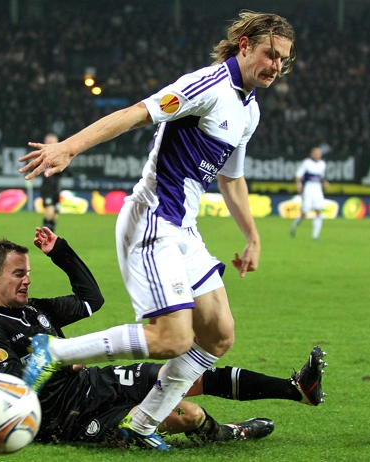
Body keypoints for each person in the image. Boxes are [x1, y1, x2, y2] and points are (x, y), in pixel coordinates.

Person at [18, 11, 297, 450]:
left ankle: (142, 423)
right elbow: (136, 113)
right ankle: (51, 353)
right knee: (172, 339)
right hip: (152, 219)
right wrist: (68, 147)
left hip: (184, 230)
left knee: (219, 334)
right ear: (245, 45)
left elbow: (231, 178)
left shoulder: (249, 110)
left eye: (283, 60)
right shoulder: (205, 86)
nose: (276, 66)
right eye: (270, 54)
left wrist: (253, 236)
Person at [0, 228, 327, 446]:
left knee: (185, 374)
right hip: (66, 417)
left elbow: (90, 300)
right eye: (18, 274)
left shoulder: (35, 309)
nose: (27, 281)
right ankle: (231, 433)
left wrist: (62, 253)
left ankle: (295, 389)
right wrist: (61, 361)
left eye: (28, 273)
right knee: (187, 414)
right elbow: (13, 381)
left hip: (95, 382)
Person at [289, 146, 330, 240]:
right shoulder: (306, 163)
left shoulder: (322, 164)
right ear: (312, 154)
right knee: (304, 213)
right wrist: (299, 186)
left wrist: (325, 182)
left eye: (319, 153)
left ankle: (315, 236)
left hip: (318, 188)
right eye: (316, 153)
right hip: (308, 188)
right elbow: (298, 176)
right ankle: (293, 228)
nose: (317, 155)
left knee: (318, 211)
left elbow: (321, 176)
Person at [39, 133, 62, 231]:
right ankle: (45, 234)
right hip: (47, 189)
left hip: (56, 189)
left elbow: (68, 171)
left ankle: (51, 235)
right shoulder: (42, 156)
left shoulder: (60, 157)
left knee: (55, 214)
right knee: (50, 210)